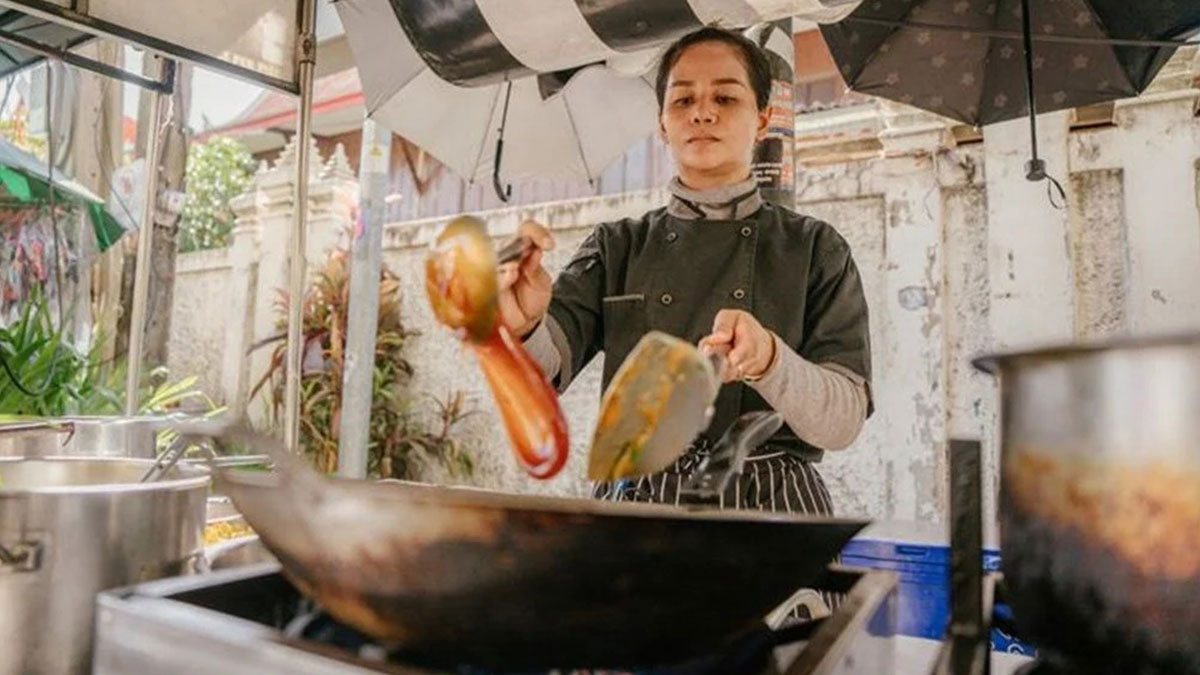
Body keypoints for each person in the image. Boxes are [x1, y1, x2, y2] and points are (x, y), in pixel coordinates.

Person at [498, 26, 872, 516]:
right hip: (637, 509)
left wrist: (770, 360)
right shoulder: (618, 246)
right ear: (661, 125)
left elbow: (841, 423)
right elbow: (537, 381)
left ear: (762, 121)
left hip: (772, 507)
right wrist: (522, 326)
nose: (702, 111)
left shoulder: (816, 248)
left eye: (725, 96)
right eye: (682, 100)